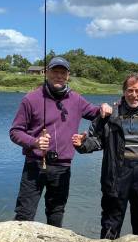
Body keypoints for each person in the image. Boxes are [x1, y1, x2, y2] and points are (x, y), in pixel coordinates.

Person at [9, 56, 112, 227]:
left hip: (62, 167)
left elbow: (96, 113)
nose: (58, 76)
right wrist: (34, 142)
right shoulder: (31, 99)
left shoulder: (76, 99)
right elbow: (15, 131)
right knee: (24, 213)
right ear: (47, 73)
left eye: (62, 73)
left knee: (56, 212)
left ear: (68, 76)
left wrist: (104, 107)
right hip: (34, 165)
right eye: (54, 72)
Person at [72, 73, 138, 239]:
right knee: (111, 222)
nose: (134, 95)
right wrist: (81, 144)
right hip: (116, 173)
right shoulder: (110, 115)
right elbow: (96, 140)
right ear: (124, 91)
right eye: (130, 90)